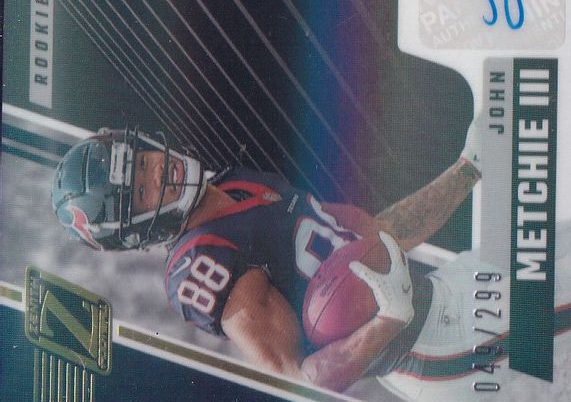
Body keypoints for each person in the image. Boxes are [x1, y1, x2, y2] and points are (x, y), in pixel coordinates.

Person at [53, 120, 567, 399]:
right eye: (143, 190)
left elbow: (377, 237)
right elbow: (301, 380)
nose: (158, 172)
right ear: (137, 229)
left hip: (445, 295)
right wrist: (386, 322)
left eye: (143, 161)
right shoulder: (200, 265)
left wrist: (468, 168)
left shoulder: (233, 183)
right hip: (436, 347)